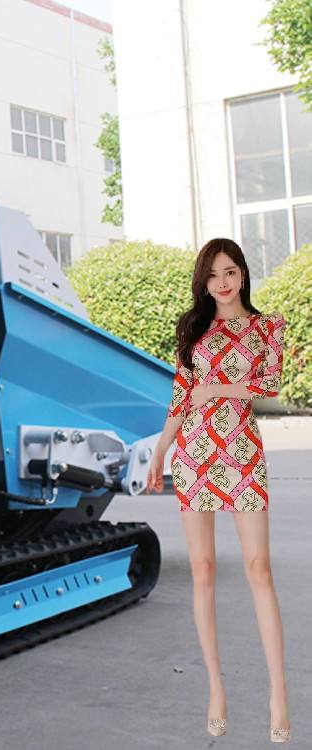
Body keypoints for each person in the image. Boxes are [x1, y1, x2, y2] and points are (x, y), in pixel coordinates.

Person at [145, 238, 291, 742]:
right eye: (212, 275)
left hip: (242, 453)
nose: (222, 282)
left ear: (243, 274)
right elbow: (180, 397)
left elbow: (270, 385)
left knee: (258, 567)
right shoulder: (192, 329)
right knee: (203, 569)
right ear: (204, 283)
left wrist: (220, 389)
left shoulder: (267, 327)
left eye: (229, 272)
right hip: (194, 455)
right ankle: (215, 689)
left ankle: (278, 693)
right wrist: (160, 451)